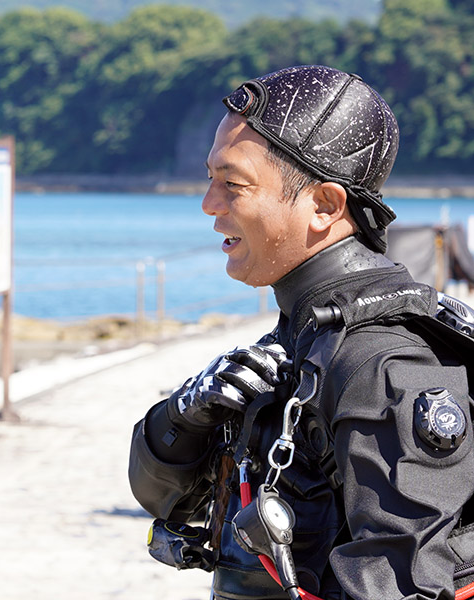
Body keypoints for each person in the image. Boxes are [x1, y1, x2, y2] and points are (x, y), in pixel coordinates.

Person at [128, 64, 474, 599]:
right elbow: (163, 499)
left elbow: (404, 586)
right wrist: (185, 414)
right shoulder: (304, 330)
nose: (209, 205)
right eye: (210, 179)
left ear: (324, 206)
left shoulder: (382, 362)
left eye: (232, 185)